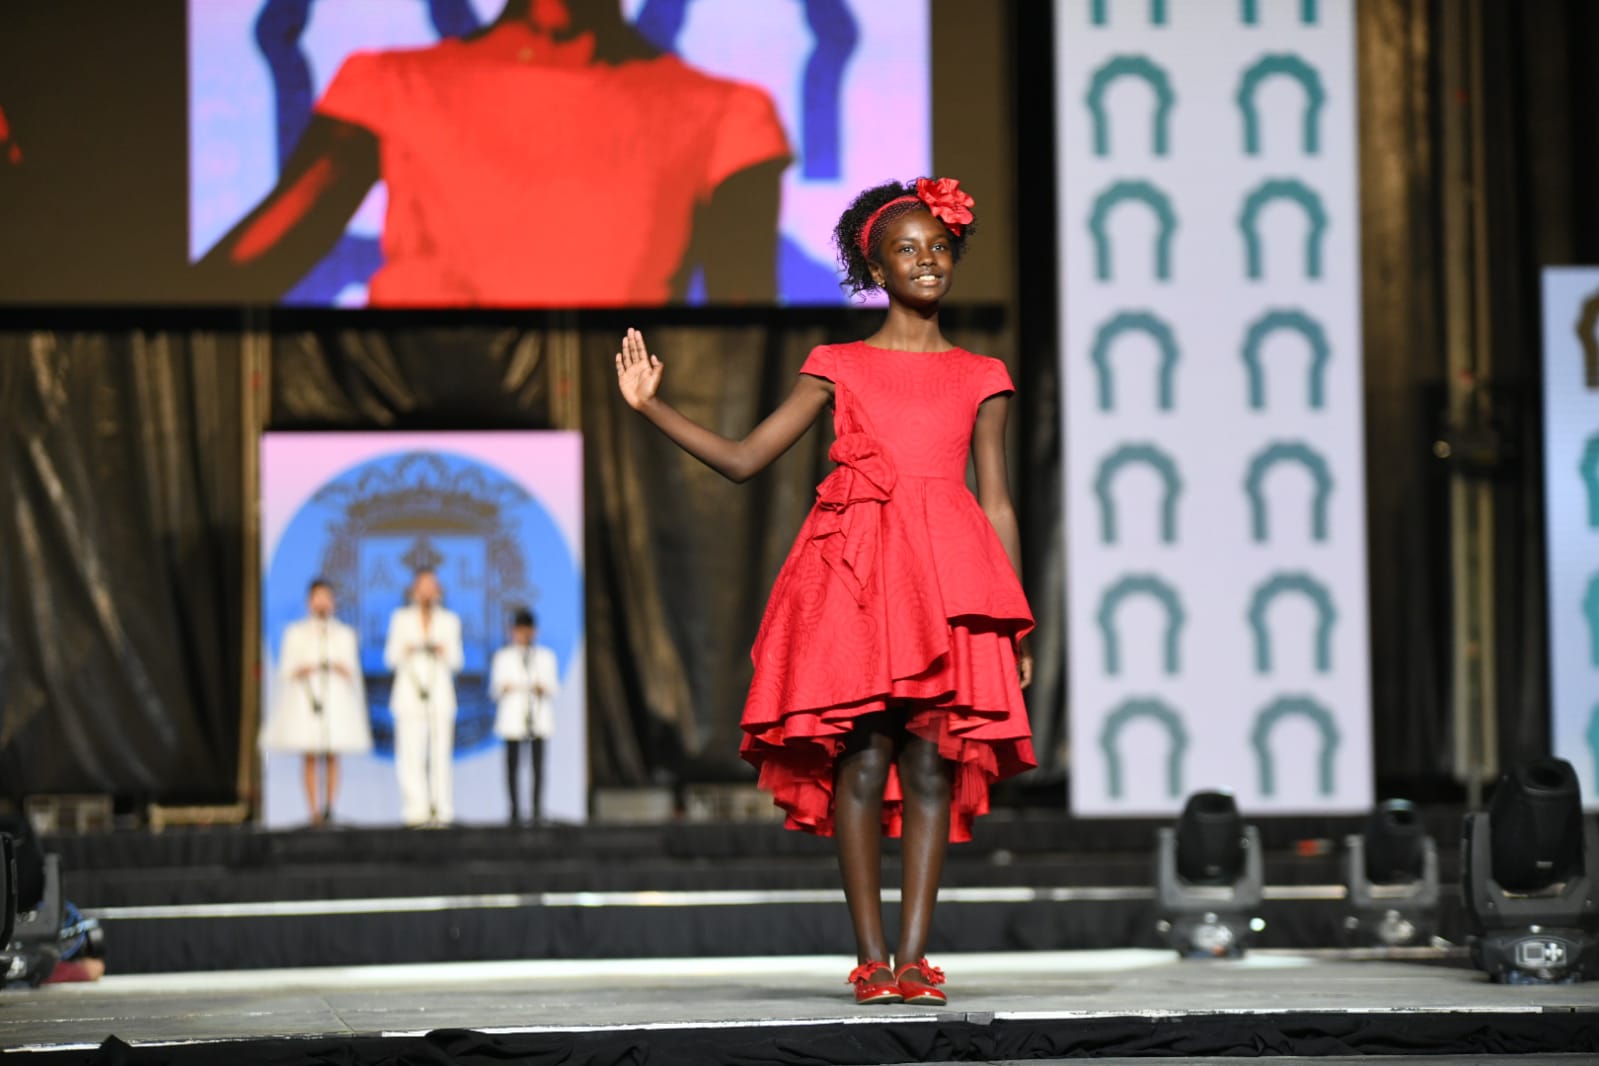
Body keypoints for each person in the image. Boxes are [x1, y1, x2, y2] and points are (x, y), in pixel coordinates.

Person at [615, 177, 1034, 1006]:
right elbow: (742, 459)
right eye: (906, 250)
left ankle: (915, 960)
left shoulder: (981, 373)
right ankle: (870, 958)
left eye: (938, 248)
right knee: (861, 755)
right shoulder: (837, 365)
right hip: (857, 580)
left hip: (947, 580)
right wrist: (653, 406)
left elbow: (995, 503)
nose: (926, 262)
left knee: (929, 766)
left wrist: (1014, 627)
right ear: (875, 266)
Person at [193, 0, 790, 306]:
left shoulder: (725, 112)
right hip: (424, 429)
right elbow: (235, 279)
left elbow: (743, 340)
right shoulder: (393, 85)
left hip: (616, 442)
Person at [261, 578, 372, 826]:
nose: (321, 602)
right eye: (317, 597)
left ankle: (330, 808)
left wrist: (336, 666)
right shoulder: (296, 633)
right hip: (307, 698)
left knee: (333, 754)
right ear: (309, 601)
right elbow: (286, 669)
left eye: (326, 597)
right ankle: (313, 812)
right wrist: (306, 667)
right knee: (310, 754)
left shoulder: (344, 634)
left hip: (335, 699)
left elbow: (352, 670)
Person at [383, 569, 465, 827]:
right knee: (410, 753)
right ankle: (415, 809)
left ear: (439, 590)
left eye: (432, 586)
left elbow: (458, 662)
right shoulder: (401, 619)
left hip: (440, 696)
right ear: (413, 590)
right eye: (422, 586)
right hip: (409, 696)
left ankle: (441, 808)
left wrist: (442, 650)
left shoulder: (449, 621)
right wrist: (410, 647)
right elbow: (390, 659)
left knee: (441, 754)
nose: (427, 591)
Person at [489, 608, 561, 825]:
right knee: (512, 766)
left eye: (527, 630)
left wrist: (540, 688)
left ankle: (537, 809)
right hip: (513, 719)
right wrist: (511, 687)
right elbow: (495, 689)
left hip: (537, 717)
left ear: (534, 631)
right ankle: (514, 811)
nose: (523, 634)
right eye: (519, 630)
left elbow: (553, 687)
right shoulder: (503, 656)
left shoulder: (545, 657)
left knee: (538, 767)